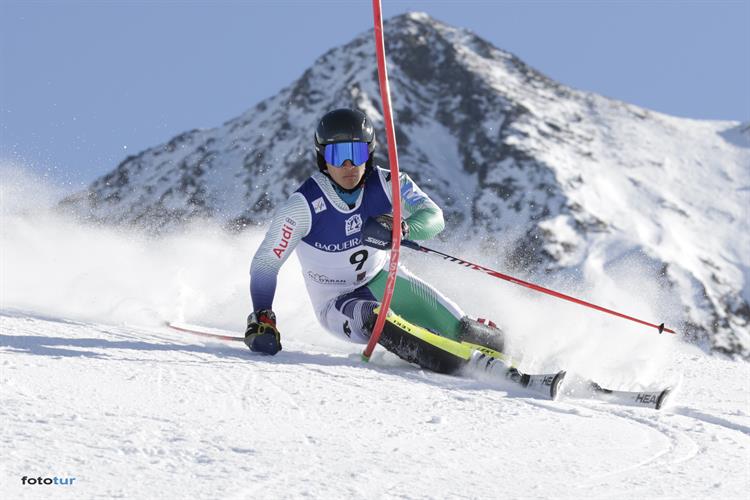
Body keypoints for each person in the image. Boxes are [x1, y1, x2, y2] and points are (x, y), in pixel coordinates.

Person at [245, 108, 504, 373]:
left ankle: (499, 357)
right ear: (323, 158)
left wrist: (402, 229)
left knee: (469, 331)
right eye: (338, 155)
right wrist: (263, 315)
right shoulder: (303, 206)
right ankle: (456, 363)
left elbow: (435, 218)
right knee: (375, 317)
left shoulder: (388, 182)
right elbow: (266, 262)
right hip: (335, 301)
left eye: (356, 154)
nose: (349, 166)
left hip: (382, 280)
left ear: (368, 153)